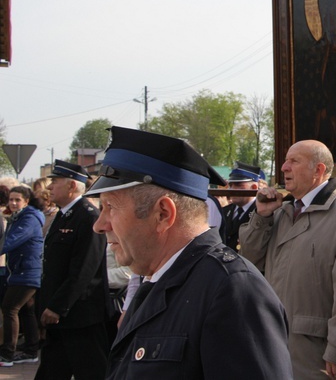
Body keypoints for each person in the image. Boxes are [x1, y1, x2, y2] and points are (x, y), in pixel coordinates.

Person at [85, 126, 292, 379]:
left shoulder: (234, 291)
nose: (99, 224)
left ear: (163, 214)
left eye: (110, 207)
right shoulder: (157, 279)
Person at [240, 140, 336, 380]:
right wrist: (261, 217)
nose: (283, 167)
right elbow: (249, 261)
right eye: (285, 160)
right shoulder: (281, 212)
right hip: (278, 345)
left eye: (294, 161)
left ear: (319, 170)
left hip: (321, 355)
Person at [36, 160, 109, 380]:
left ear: (71, 186)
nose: (50, 188)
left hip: (81, 316)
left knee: (92, 372)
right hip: (62, 317)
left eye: (55, 182)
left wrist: (58, 306)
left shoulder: (88, 217)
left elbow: (84, 270)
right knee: (52, 370)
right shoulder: (64, 215)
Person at [0, 186, 44, 367]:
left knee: (10, 308)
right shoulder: (18, 217)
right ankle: (30, 350)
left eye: (17, 200)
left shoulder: (29, 218)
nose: (13, 203)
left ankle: (7, 354)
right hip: (20, 271)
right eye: (11, 199)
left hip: (27, 272)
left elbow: (12, 240)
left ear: (26, 201)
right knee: (26, 310)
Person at [222, 162, 263, 251]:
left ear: (254, 187)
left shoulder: (261, 213)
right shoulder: (224, 211)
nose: (232, 189)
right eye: (231, 185)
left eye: (238, 185)